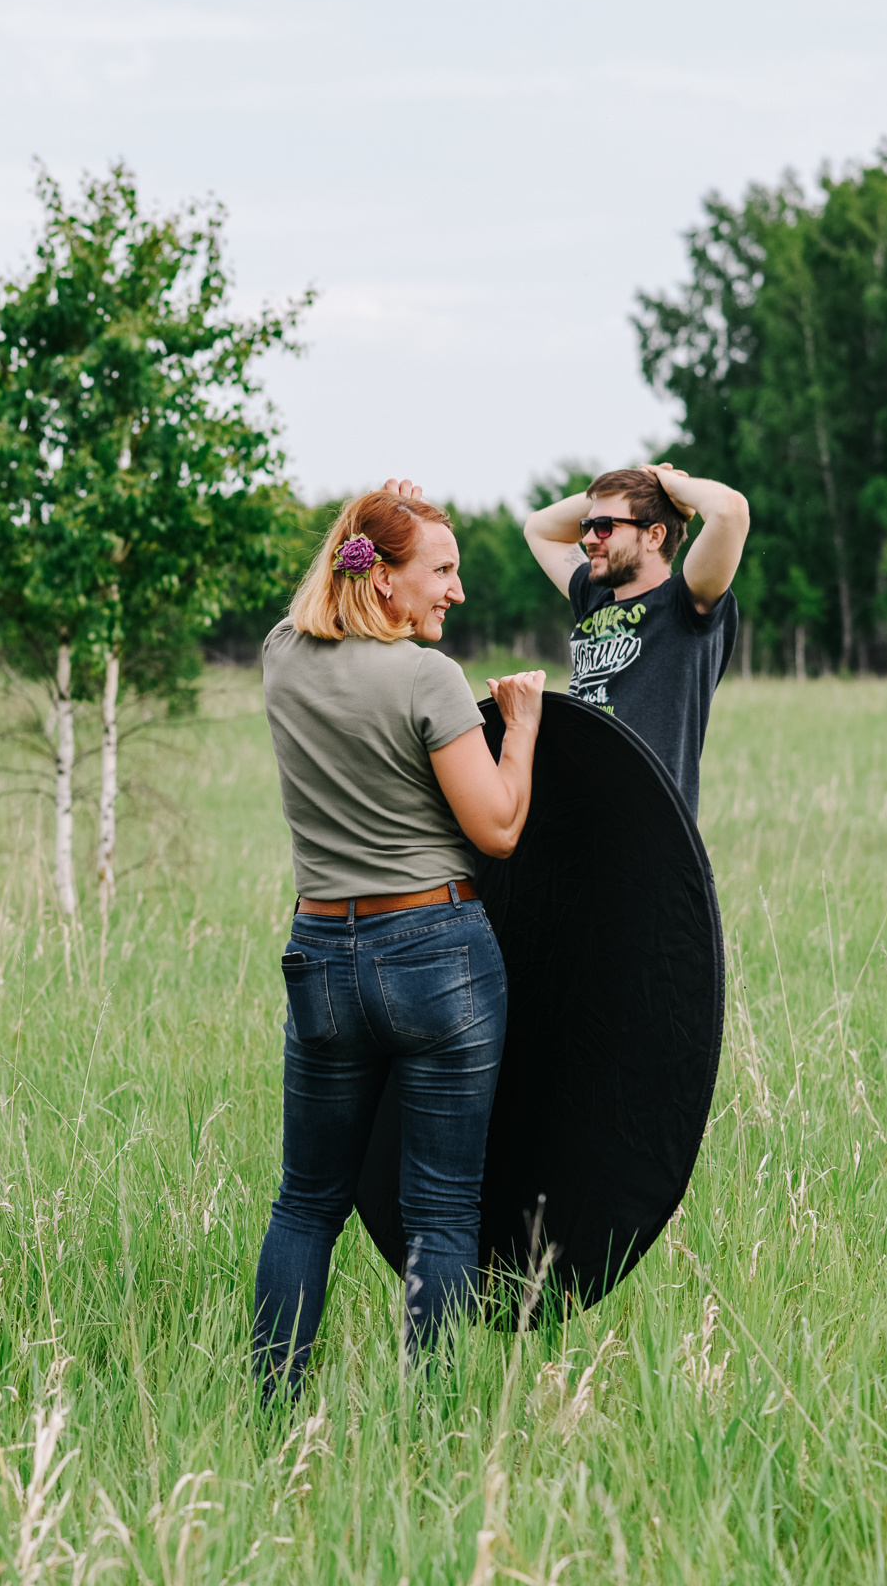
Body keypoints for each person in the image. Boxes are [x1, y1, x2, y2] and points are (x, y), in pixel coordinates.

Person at [254, 480, 546, 1401]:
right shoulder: (428, 678)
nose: (456, 590)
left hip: (321, 959)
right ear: (382, 578)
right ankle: (435, 1425)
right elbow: (498, 827)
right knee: (442, 1213)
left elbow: (320, 603)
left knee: (306, 1204)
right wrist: (521, 730)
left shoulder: (281, 656)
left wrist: (380, 515)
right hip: (436, 958)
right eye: (441, 570)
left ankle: (272, 1408)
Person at [521, 464, 749, 814]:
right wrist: (631, 484)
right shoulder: (594, 596)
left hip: (645, 825)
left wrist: (668, 485)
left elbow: (730, 511)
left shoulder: (684, 604)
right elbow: (538, 528)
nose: (588, 538)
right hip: (580, 816)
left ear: (654, 536)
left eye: (605, 526)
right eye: (587, 525)